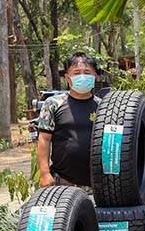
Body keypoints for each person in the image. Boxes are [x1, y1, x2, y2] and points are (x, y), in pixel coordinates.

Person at [36, 52, 101, 187]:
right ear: (67, 78)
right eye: (77, 73)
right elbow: (44, 139)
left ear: (95, 76)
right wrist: (44, 174)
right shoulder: (53, 104)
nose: (82, 77)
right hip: (64, 182)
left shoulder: (104, 106)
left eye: (87, 72)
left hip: (98, 184)